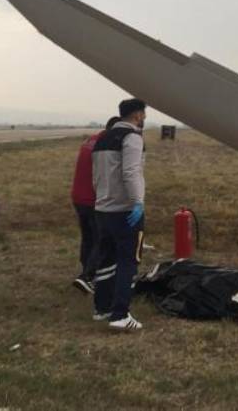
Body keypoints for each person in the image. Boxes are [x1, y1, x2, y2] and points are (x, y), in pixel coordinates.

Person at [91, 98, 147, 331]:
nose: (144, 118)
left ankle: (102, 308)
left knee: (106, 260)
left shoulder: (102, 138)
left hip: (102, 208)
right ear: (137, 115)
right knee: (127, 262)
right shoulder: (132, 137)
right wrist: (138, 202)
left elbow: (96, 175)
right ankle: (120, 314)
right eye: (143, 114)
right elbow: (131, 172)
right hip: (124, 211)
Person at [71, 116, 121, 294]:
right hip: (94, 199)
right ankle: (87, 277)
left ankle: (86, 271)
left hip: (78, 197)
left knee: (88, 238)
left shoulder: (90, 140)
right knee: (102, 239)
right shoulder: (107, 145)